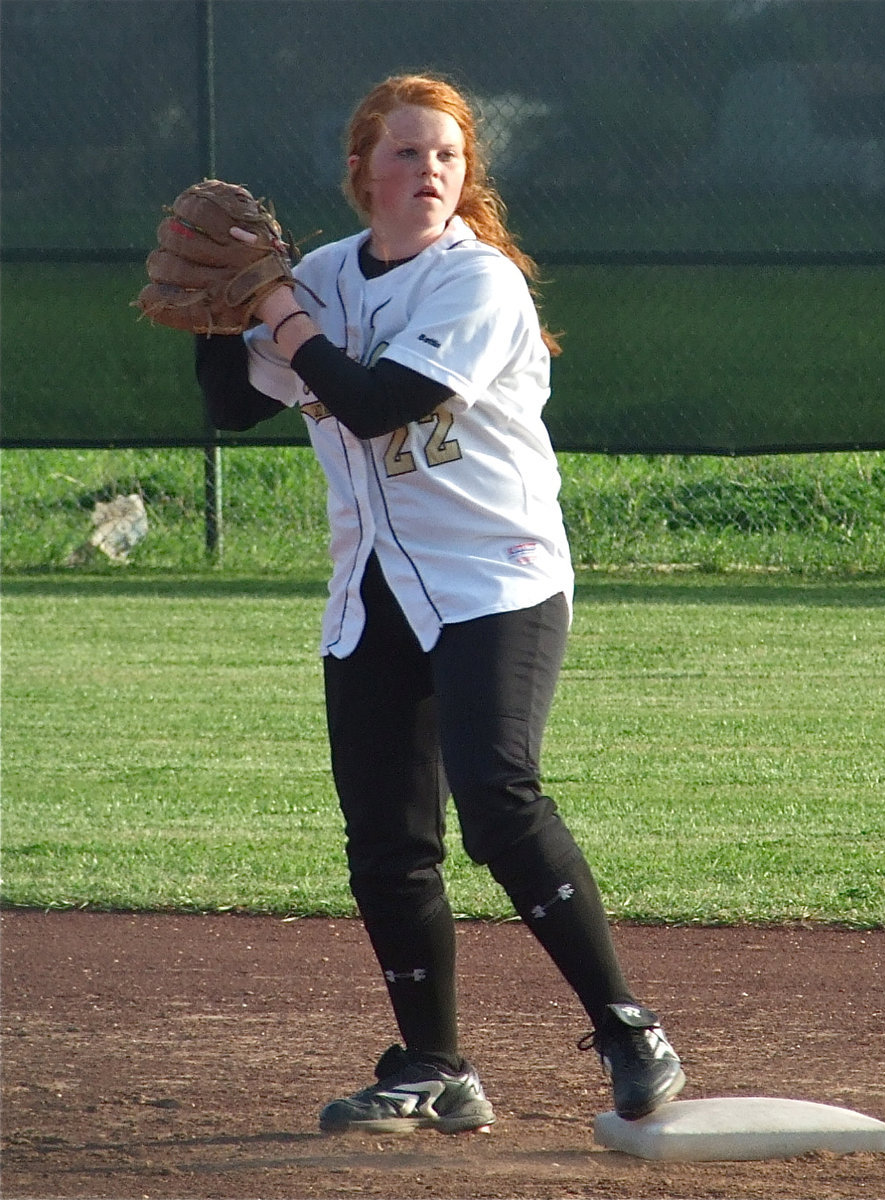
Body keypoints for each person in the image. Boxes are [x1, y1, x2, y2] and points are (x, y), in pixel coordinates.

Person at [195, 72, 684, 1135]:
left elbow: (374, 407)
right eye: (408, 153)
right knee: (384, 838)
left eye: (449, 156)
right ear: (361, 169)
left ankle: (627, 1026)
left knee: (495, 797)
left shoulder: (478, 285)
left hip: (495, 579)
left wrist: (271, 306)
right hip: (373, 587)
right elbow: (236, 405)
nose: (431, 173)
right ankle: (433, 1065)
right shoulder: (321, 276)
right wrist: (215, 310)